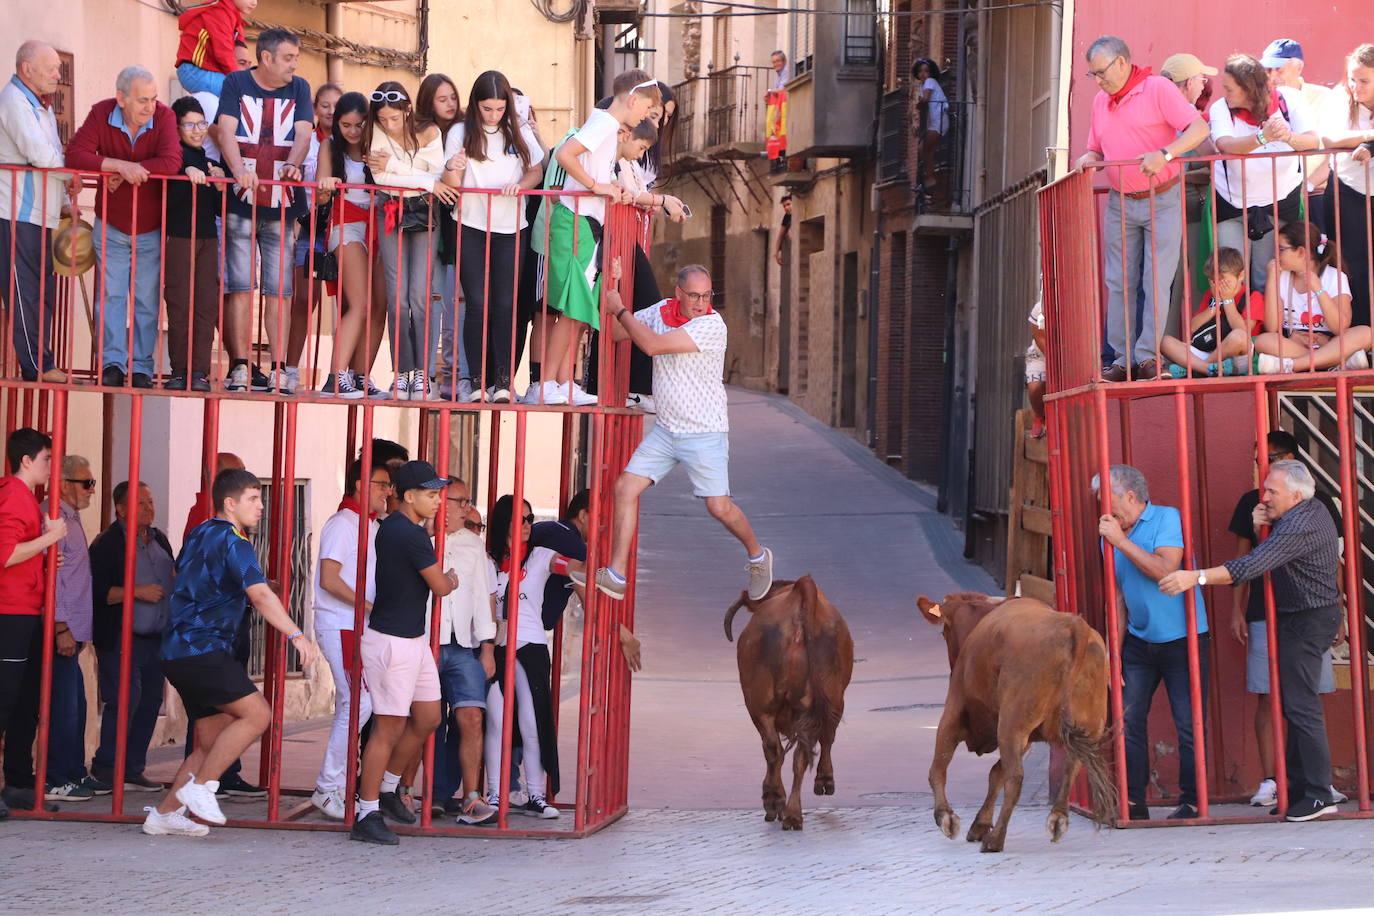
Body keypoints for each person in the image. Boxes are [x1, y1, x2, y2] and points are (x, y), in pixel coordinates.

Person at [573, 263, 773, 601]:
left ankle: (758, 556)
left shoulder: (712, 325)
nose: (701, 303)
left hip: (705, 431)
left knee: (719, 507)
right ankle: (617, 574)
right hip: (667, 430)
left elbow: (651, 345)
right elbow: (619, 332)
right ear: (679, 293)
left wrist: (619, 307)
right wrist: (613, 287)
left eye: (706, 295)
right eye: (694, 295)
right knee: (624, 488)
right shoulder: (661, 311)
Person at [1161, 460, 1343, 822]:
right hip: (1303, 618)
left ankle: (1320, 794)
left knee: (1301, 706)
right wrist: (1266, 523)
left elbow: (1250, 565)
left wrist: (1194, 578)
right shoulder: (1306, 511)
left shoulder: (1299, 525)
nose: (1265, 497)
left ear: (1295, 496)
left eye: (1272, 491)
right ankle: (1299, 788)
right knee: (1294, 705)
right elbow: (1273, 547)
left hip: (1308, 621)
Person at [145, 467, 318, 837]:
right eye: (252, 499)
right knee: (258, 715)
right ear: (229, 503)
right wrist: (296, 635)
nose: (260, 506)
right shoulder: (236, 542)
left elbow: (193, 579)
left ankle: (164, 815)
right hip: (203, 649)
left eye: (260, 498)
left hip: (178, 650)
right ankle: (203, 788)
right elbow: (260, 594)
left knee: (209, 742)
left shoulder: (201, 532)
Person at [1075, 36, 1210, 382]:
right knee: (1118, 282)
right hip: (1120, 202)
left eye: (1101, 72)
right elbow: (1096, 148)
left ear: (1122, 62)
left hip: (1162, 198)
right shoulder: (1101, 101)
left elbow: (1199, 129)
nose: (1098, 80)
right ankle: (1123, 360)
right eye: (1093, 74)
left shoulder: (1157, 89)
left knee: (1156, 281)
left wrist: (1165, 154)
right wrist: (1087, 159)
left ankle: (1149, 358)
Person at [1226, 431, 1344, 809]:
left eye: (1274, 458)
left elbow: (1333, 560)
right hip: (1267, 611)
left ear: (1293, 459)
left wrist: (1340, 608)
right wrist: (1237, 610)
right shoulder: (1255, 502)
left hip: (1308, 611)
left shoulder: (1317, 504)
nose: (1266, 467)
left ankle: (1315, 784)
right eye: (1260, 460)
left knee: (1306, 698)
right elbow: (1245, 558)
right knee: (1271, 695)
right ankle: (1274, 780)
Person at [533, 69, 659, 406]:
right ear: (633, 100)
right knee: (573, 309)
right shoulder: (604, 123)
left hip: (586, 224)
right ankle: (548, 384)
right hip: (576, 222)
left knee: (578, 310)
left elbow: (590, 167)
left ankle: (562, 382)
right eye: (646, 109)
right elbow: (565, 155)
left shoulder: (604, 124)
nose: (645, 116)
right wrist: (595, 186)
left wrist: (610, 186)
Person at [1092, 464, 1208, 821]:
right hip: (1138, 643)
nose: (1103, 510)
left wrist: (1121, 543)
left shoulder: (1166, 518)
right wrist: (1113, 653)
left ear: (1130, 496)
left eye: (1106, 501)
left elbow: (1166, 571)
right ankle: (1133, 802)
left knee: (1188, 723)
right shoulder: (1109, 535)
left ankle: (1192, 801)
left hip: (1183, 640)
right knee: (1127, 720)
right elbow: (1117, 598)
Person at [351, 460, 456, 845]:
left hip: (412, 640)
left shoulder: (402, 528)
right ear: (409, 496)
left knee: (428, 717)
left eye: (439, 494)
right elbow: (440, 586)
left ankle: (388, 789)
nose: (438, 501)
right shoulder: (408, 534)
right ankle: (366, 814)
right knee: (388, 729)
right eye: (431, 494)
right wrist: (452, 579)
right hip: (392, 642)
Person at [65, 65, 180, 389]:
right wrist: (117, 166)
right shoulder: (101, 113)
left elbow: (172, 161)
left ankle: (141, 367)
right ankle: (112, 364)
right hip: (111, 224)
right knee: (110, 298)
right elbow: (75, 154)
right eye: (143, 100)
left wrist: (130, 171)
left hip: (151, 226)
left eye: (153, 98)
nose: (150, 106)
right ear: (121, 98)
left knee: (146, 300)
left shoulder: (165, 116)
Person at [213, 28, 314, 394]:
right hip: (240, 201)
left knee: (280, 290)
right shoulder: (236, 83)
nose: (294, 64)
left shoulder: (300, 88)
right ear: (266, 58)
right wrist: (238, 170)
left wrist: (293, 165)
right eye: (288, 58)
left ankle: (280, 368)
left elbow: (304, 134)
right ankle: (240, 365)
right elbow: (225, 131)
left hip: (282, 204)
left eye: (295, 58)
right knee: (240, 285)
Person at [441, 70, 544, 403]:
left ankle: (502, 382)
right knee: (477, 303)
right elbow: (451, 183)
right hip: (469, 224)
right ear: (476, 104)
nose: (493, 115)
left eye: (500, 109)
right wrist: (453, 167)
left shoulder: (519, 130)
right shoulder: (459, 132)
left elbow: (536, 170)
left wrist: (520, 186)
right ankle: (475, 382)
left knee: (504, 304)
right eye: (487, 109)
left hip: (511, 227)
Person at [366, 81, 458, 402]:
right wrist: (423, 181)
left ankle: (421, 372)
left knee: (420, 295)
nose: (389, 125)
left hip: (425, 212)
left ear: (407, 110)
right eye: (383, 119)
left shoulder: (430, 132)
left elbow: (437, 175)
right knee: (397, 297)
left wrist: (396, 166)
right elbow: (381, 178)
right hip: (391, 210)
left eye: (394, 118)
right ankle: (401, 373)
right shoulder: (375, 130)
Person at [309, 457, 389, 820]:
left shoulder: (369, 525)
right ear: (360, 484)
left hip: (356, 626)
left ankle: (336, 786)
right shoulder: (343, 524)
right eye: (381, 484)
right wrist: (369, 607)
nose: (387, 491)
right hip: (341, 624)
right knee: (359, 703)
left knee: (357, 703)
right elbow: (329, 579)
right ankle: (328, 787)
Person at [87, 482, 176, 795]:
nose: (149, 508)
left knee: (151, 700)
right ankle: (106, 768)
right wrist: (136, 592)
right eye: (141, 503)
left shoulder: (159, 539)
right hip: (122, 637)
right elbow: (96, 592)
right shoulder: (108, 544)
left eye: (150, 501)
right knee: (126, 699)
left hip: (156, 638)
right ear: (121, 509)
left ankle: (132, 768)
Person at [1208, 54, 1319, 292]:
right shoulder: (1221, 108)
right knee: (1229, 275)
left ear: (1248, 88)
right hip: (1232, 206)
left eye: (1229, 89)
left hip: (1277, 205)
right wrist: (1262, 137)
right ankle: (1233, 317)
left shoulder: (1290, 100)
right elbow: (1225, 144)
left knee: (1265, 275)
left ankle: (1263, 317)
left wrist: (1287, 136)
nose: (1224, 94)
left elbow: (1312, 141)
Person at [0, 429, 66, 817]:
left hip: (27, 610)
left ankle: (19, 784)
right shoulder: (12, 493)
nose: (51, 467)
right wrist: (50, 538)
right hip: (9, 612)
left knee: (25, 703)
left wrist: (42, 557)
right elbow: (6, 554)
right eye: (46, 459)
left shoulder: (24, 497)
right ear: (26, 460)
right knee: (5, 700)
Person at [483, 494, 560, 818]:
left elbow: (571, 567)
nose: (528, 525)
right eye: (521, 519)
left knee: (532, 723)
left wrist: (597, 569)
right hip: (495, 648)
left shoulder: (541, 556)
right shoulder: (488, 562)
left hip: (532, 646)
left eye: (530, 519)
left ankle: (536, 795)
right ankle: (495, 794)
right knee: (496, 722)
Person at [0, 41, 72, 384]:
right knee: (24, 292)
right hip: (16, 211)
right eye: (52, 68)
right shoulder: (14, 101)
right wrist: (70, 175)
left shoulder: (39, 105)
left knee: (42, 291)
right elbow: (41, 155)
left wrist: (64, 200)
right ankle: (36, 365)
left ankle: (43, 361)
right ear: (27, 69)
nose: (58, 75)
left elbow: (52, 153)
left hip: (38, 214)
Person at [430, 476, 497, 825]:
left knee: (472, 717)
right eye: (461, 501)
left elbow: (483, 599)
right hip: (424, 643)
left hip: (462, 647)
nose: (467, 508)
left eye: (468, 501)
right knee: (424, 721)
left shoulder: (474, 545)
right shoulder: (419, 539)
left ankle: (471, 797)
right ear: (441, 503)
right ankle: (412, 792)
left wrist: (487, 649)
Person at [316, 90, 388, 399]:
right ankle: (335, 376)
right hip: (346, 223)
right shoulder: (329, 146)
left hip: (380, 224)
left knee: (380, 305)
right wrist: (326, 186)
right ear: (337, 124)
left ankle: (360, 376)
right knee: (359, 303)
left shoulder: (380, 145)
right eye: (346, 125)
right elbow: (320, 196)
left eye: (360, 124)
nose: (354, 131)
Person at [283, 81, 343, 394]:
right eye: (324, 105)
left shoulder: (351, 141)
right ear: (315, 108)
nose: (331, 111)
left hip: (342, 226)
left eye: (336, 106)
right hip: (309, 226)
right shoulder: (306, 139)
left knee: (347, 302)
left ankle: (343, 373)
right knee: (305, 299)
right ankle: (291, 369)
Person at [162, 96, 224, 393]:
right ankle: (179, 370)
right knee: (179, 303)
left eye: (201, 124)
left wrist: (220, 184)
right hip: (179, 237)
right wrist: (184, 172)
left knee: (206, 305)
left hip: (208, 238)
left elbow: (219, 209)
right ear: (177, 128)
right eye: (189, 125)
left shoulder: (210, 162)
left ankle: (199, 371)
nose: (197, 130)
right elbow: (167, 185)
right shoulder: (173, 157)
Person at [44, 455, 96, 801]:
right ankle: (54, 778)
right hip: (61, 630)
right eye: (86, 483)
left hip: (73, 631)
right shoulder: (53, 519)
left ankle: (74, 772)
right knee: (63, 707)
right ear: (64, 484)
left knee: (76, 705)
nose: (92, 490)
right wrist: (61, 626)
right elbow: (52, 576)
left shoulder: (71, 518)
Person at [1254, 221, 1372, 373]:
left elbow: (1340, 327)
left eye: (1281, 249)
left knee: (1366, 333)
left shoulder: (1334, 277)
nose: (1275, 255)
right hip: (1295, 344)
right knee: (1263, 340)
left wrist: (1318, 289)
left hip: (1330, 342)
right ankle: (1333, 363)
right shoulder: (1281, 277)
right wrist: (1271, 279)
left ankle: (1293, 365)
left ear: (1301, 252)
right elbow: (1272, 327)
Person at [415, 72, 468, 398]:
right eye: (442, 99)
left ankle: (454, 375)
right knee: (430, 300)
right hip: (425, 222)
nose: (450, 104)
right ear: (428, 103)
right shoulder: (420, 133)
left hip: (456, 225)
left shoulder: (466, 130)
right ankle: (424, 374)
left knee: (456, 303)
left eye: (453, 97)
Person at [1318, 44, 1374, 329]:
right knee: (1352, 265)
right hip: (1346, 189)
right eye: (1353, 79)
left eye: (1364, 80)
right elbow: (1329, 139)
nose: (1355, 86)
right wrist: (1369, 135)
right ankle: (1360, 333)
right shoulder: (1341, 98)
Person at [1160, 247, 1263, 377]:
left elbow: (1243, 331)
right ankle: (1207, 368)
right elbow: (1193, 327)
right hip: (1209, 350)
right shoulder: (1211, 295)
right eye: (1214, 281)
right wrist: (1214, 305)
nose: (1219, 286)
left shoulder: (1253, 296)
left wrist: (1228, 301)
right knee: (1166, 342)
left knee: (1239, 336)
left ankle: (1196, 368)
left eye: (1225, 282)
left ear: (1241, 275)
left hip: (1238, 356)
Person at [173, 0, 253, 97]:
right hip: (194, 71)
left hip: (208, 71)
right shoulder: (219, 14)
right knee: (240, 93)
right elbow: (224, 54)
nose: (254, 3)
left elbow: (239, 50)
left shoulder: (234, 18)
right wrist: (238, 81)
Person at [1261, 39, 1331, 112]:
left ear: (1299, 67)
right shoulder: (1260, 100)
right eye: (1268, 70)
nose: (1272, 77)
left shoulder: (1322, 98)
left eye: (1279, 69)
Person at [913, 59, 949, 198]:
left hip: (938, 120)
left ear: (931, 72)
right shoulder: (924, 85)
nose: (923, 74)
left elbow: (925, 99)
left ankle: (929, 178)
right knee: (928, 151)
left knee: (923, 148)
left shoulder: (930, 82)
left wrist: (919, 103)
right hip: (935, 121)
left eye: (926, 71)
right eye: (920, 71)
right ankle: (930, 180)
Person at [1024, 299, 1046, 439]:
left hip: (1069, 354)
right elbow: (1039, 338)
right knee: (1035, 387)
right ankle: (1039, 416)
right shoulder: (1040, 308)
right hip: (1040, 355)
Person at [774, 194, 791, 266]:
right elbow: (780, 235)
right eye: (784, 206)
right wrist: (776, 252)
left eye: (788, 204)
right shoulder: (787, 216)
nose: (786, 208)